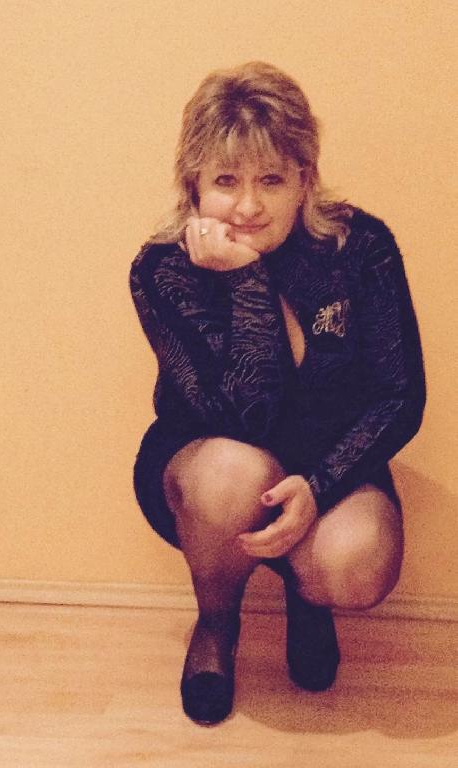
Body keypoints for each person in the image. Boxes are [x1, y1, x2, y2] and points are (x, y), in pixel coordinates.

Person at [129, 61, 425, 726]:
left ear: (304, 179)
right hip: (210, 463)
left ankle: (307, 595)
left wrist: (317, 487)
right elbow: (246, 415)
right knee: (234, 472)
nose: (247, 206)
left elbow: (398, 396)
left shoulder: (360, 248)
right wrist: (246, 277)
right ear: (193, 184)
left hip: (330, 458)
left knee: (356, 563)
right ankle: (216, 623)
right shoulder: (163, 268)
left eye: (270, 179)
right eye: (225, 181)